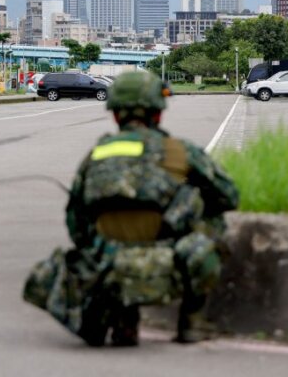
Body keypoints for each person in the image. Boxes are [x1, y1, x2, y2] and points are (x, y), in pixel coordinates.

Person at [23, 71, 239, 347]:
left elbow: (76, 223)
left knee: (99, 234)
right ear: (158, 114)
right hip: (168, 266)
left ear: (115, 115)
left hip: (105, 272)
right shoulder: (179, 151)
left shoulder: (96, 155)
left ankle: (122, 320)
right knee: (213, 220)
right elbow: (229, 196)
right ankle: (192, 322)